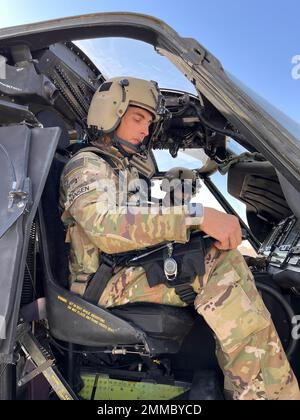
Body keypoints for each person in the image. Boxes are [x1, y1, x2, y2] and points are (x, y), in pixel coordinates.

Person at [59, 76, 300, 400]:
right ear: (109, 113)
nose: (145, 129)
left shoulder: (119, 169)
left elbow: (139, 220)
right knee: (219, 266)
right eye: (138, 117)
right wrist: (197, 215)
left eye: (148, 121)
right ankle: (265, 394)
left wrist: (192, 223)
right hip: (100, 285)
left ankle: (260, 388)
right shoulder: (86, 164)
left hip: (122, 269)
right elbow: (105, 227)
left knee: (221, 255)